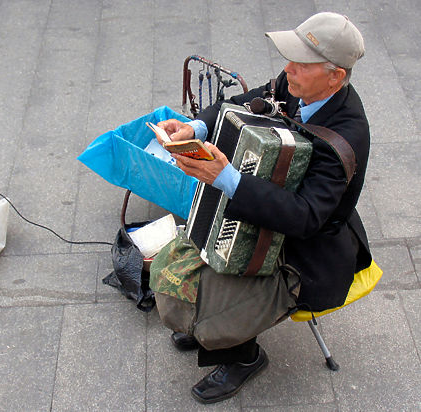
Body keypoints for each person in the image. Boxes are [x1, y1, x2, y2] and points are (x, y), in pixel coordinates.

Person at [156, 12, 373, 404]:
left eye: (301, 64)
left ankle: (245, 357)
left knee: (212, 296)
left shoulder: (345, 139)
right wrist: (197, 128)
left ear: (335, 77)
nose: (287, 70)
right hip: (263, 208)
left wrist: (227, 179)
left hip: (307, 254)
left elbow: (305, 219)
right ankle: (209, 327)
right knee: (182, 257)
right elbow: (240, 101)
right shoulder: (298, 87)